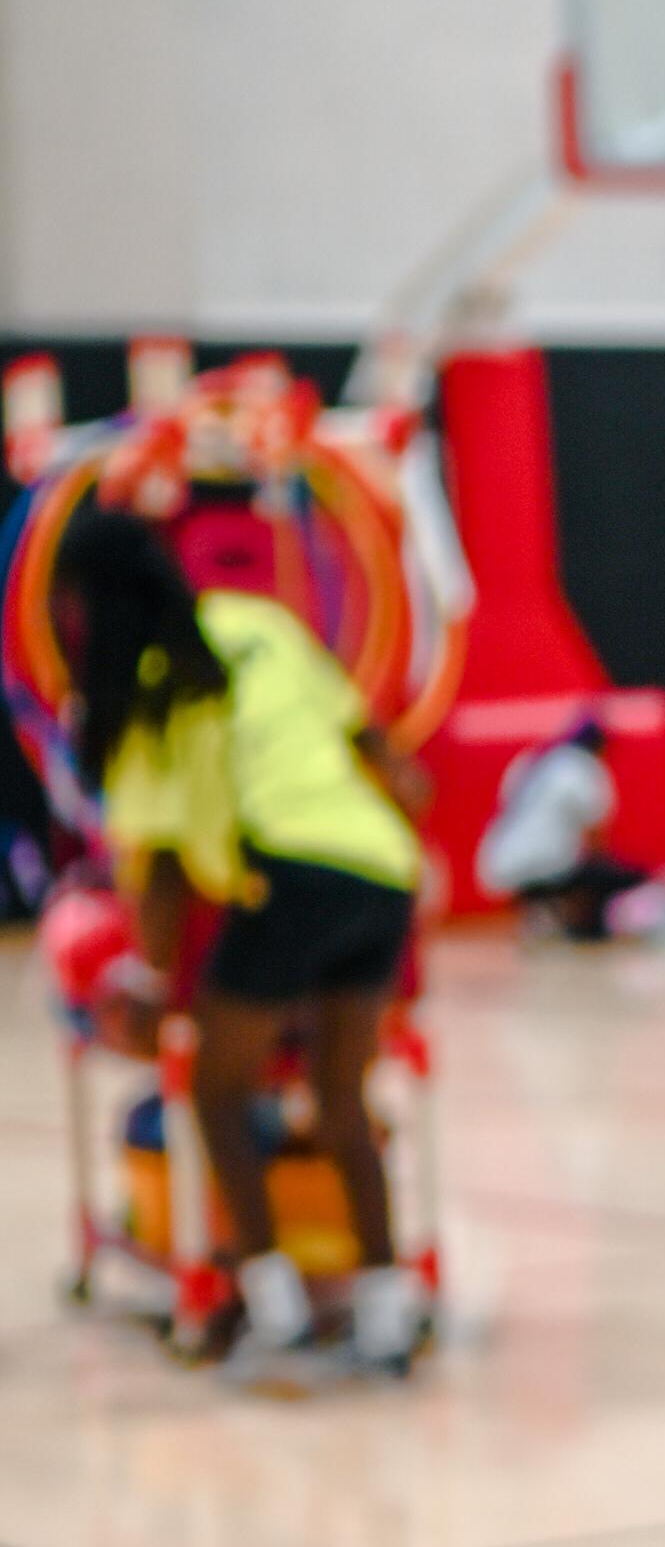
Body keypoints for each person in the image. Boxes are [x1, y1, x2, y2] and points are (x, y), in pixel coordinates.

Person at [51, 488, 431, 1378]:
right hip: (383, 867)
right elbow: (376, 750)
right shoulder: (257, 621)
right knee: (341, 1097)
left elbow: (164, 873)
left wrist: (146, 984)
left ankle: (273, 1308)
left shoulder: (147, 689)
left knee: (217, 1090)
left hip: (286, 872)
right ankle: (386, 1310)